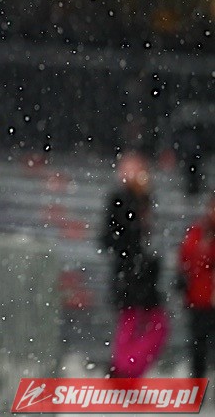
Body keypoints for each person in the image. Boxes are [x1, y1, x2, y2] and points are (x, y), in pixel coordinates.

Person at [99, 152, 169, 378]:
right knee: (133, 324)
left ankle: (125, 370)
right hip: (132, 274)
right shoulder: (123, 201)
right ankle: (124, 370)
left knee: (147, 326)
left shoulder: (144, 200)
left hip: (140, 274)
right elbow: (113, 238)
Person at [177, 194, 215, 379]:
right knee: (199, 346)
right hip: (199, 298)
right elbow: (188, 257)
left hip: (203, 296)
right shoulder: (198, 232)